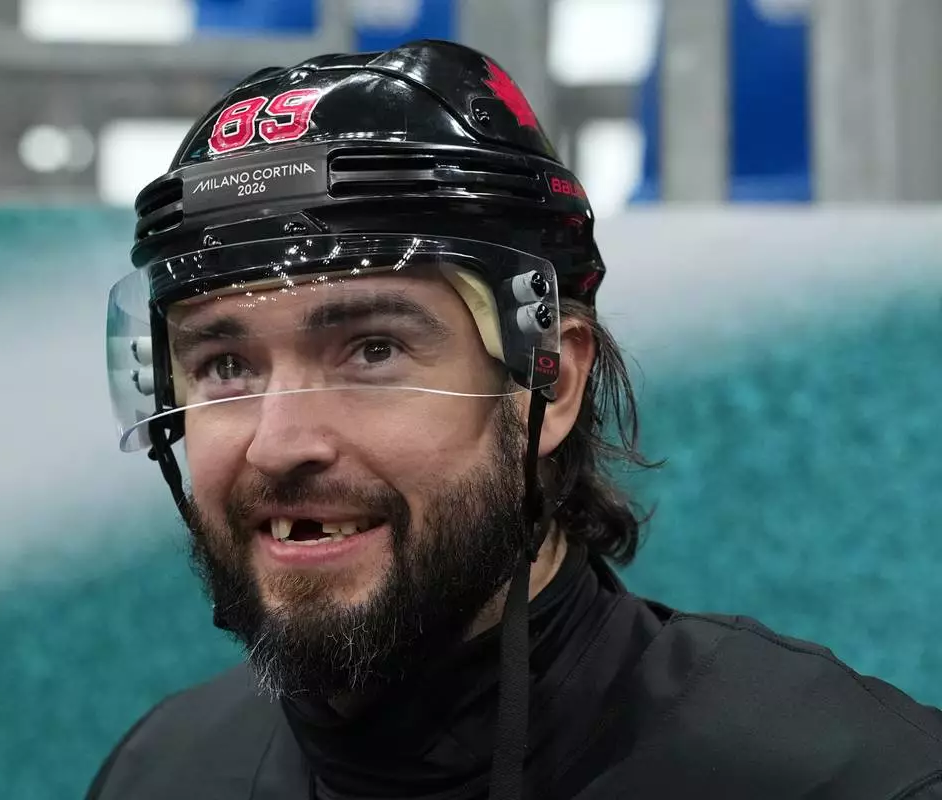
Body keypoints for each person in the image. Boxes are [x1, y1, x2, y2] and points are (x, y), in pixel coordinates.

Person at [90, 39, 942, 800]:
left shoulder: (845, 776)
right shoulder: (162, 771)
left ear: (553, 380)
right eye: (225, 365)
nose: (280, 442)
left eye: (374, 350)